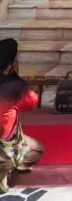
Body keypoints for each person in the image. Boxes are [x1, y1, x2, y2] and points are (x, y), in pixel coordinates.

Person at [0, 39, 44, 192]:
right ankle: (11, 165)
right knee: (37, 148)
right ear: (11, 64)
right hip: (3, 146)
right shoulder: (15, 87)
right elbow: (32, 102)